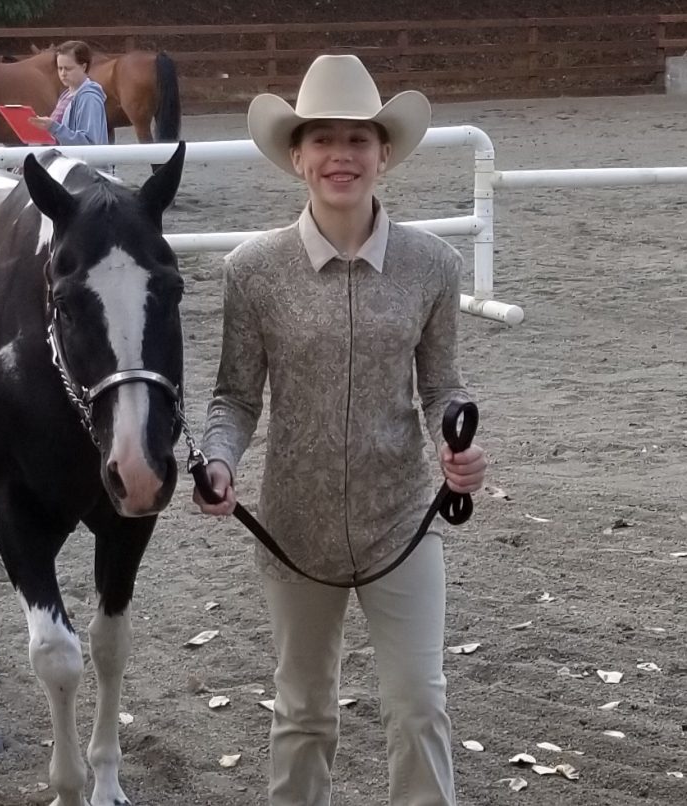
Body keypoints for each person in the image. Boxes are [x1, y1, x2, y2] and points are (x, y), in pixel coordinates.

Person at [193, 55, 488, 806]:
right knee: (301, 714)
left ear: (384, 153)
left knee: (420, 703)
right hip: (294, 529)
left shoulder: (432, 264)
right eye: (323, 139)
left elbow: (441, 388)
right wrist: (220, 461)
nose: (341, 156)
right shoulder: (252, 271)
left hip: (403, 524)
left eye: (358, 139)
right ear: (296, 156)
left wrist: (456, 448)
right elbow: (234, 396)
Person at [28, 40, 109, 146]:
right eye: (60, 68)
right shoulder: (67, 94)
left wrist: (53, 127)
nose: (63, 73)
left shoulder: (89, 98)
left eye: (68, 68)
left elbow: (88, 144)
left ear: (84, 67)